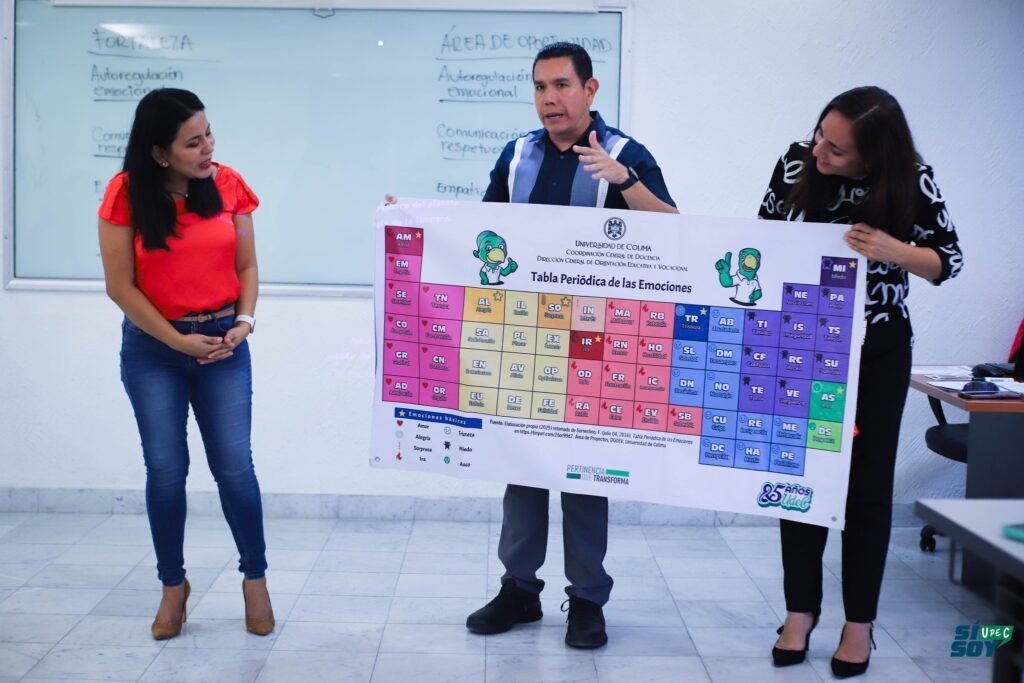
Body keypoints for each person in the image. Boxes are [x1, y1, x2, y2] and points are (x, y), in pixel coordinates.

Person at [465, 42, 678, 649]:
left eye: (561, 85)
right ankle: (519, 590)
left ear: (590, 89)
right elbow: (480, 233)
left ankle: (587, 600)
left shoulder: (625, 154)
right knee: (522, 467)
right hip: (524, 336)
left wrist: (624, 181)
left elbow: (676, 230)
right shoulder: (517, 155)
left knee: (585, 470)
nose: (549, 98)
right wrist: (416, 222)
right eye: (540, 87)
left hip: (598, 341)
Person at [759, 86, 963, 677]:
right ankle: (800, 611)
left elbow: (948, 261)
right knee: (799, 475)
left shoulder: (911, 179)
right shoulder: (797, 162)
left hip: (878, 346)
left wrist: (896, 250)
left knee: (867, 487)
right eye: (820, 134)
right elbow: (763, 235)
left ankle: (859, 624)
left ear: (874, 155)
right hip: (803, 339)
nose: (820, 151)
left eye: (837, 148)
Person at [97, 88, 275, 640]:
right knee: (167, 469)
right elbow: (120, 287)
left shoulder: (229, 185)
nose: (208, 148)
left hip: (224, 345)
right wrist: (177, 340)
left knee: (235, 467)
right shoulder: (125, 194)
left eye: (209, 134)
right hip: (155, 350)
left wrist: (245, 322)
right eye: (193, 143)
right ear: (159, 153)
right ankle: (173, 585)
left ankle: (255, 578)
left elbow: (247, 267)